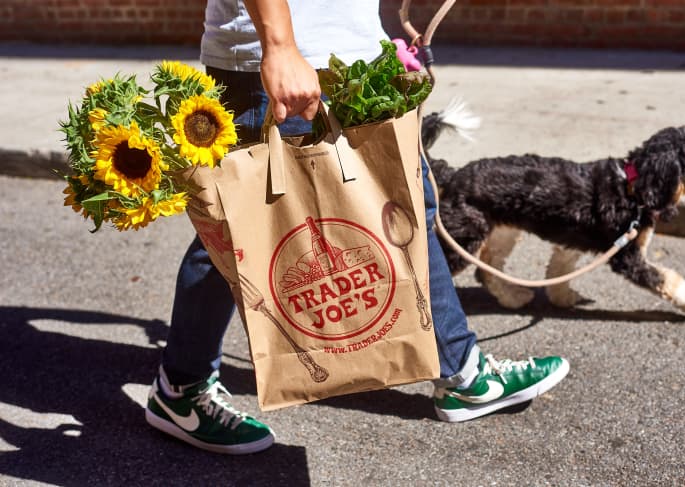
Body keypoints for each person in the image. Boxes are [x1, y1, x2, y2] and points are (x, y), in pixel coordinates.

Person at [145, 0, 570, 455]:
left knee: (404, 211)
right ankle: (181, 387)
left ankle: (460, 371)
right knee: (241, 229)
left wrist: (363, 31)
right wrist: (280, 44)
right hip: (278, 61)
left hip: (347, 53)